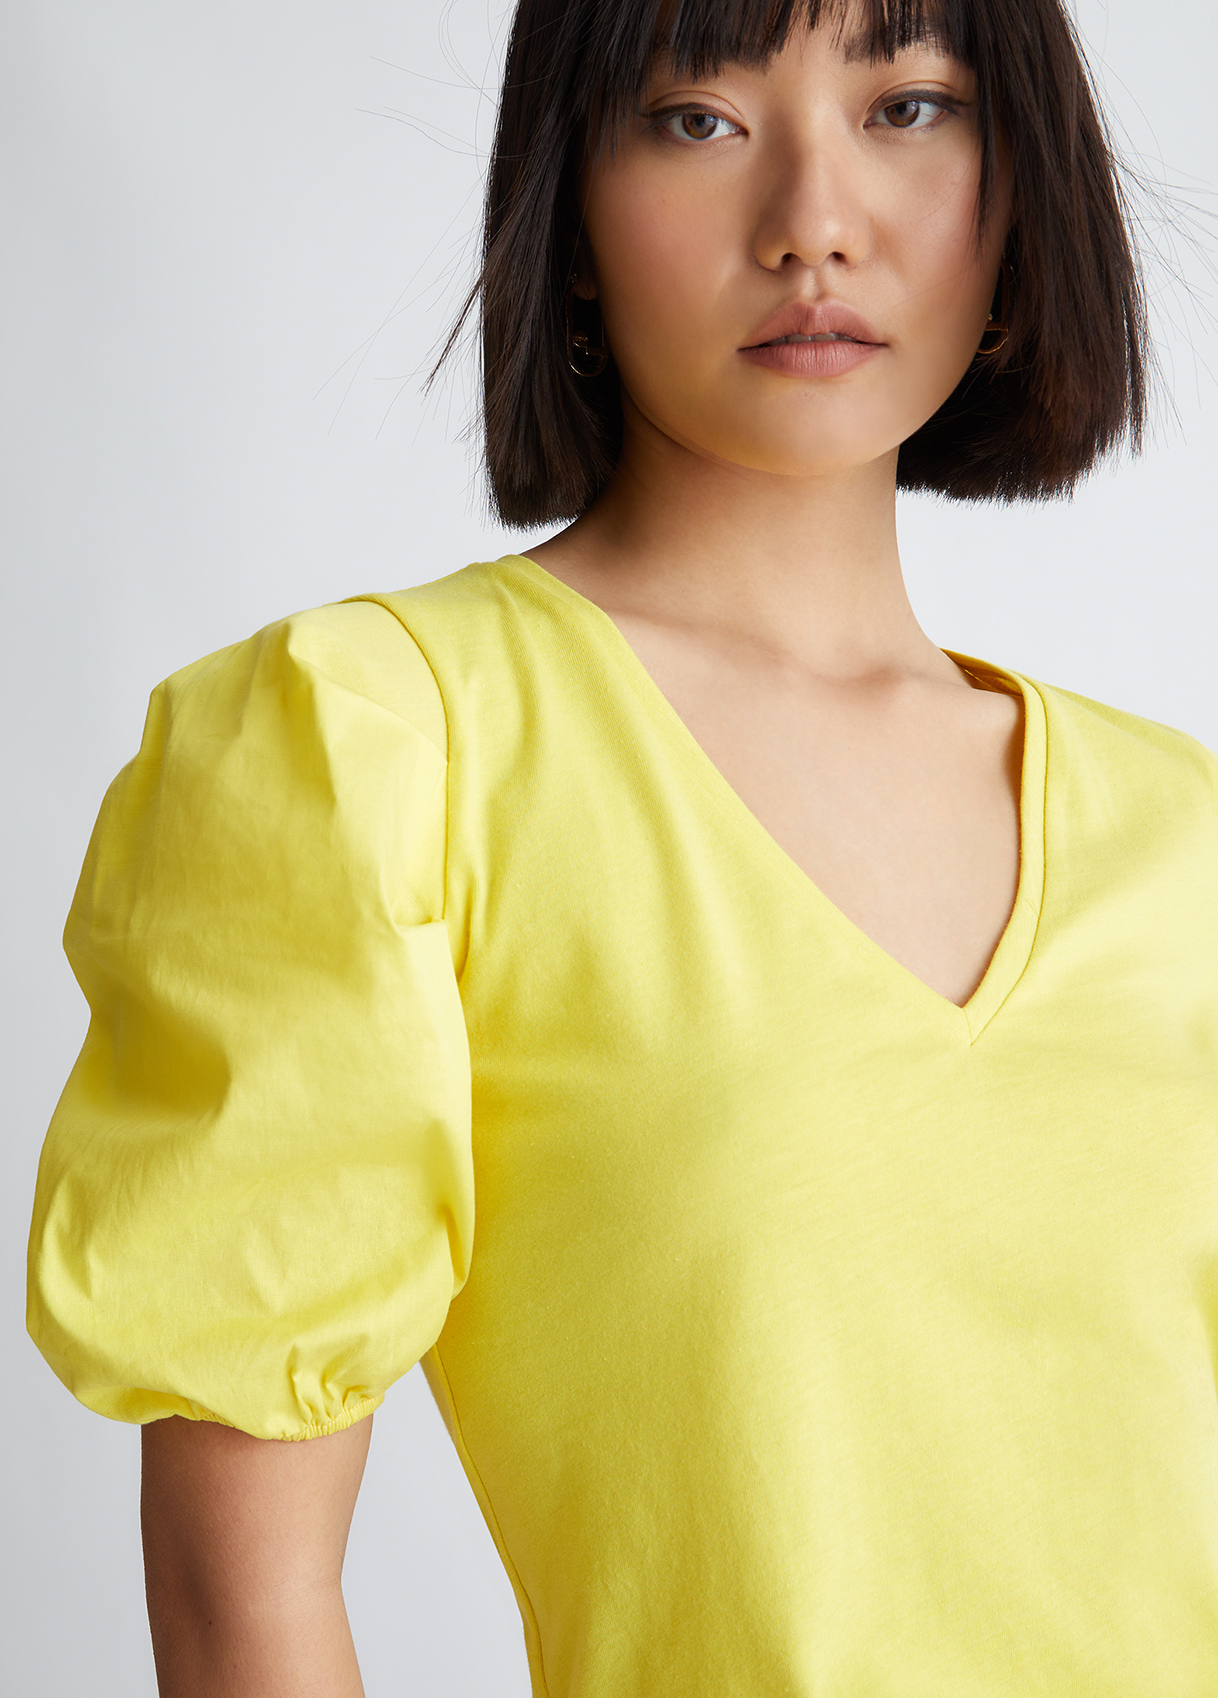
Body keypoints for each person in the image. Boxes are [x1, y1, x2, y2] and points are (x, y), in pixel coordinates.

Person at [25, 0, 1218, 1693]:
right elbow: (246, 1609)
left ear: (1022, 185)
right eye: (695, 117)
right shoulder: (383, 745)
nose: (812, 220)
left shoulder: (1180, 831)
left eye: (907, 106)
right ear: (567, 213)